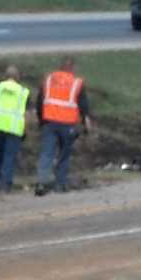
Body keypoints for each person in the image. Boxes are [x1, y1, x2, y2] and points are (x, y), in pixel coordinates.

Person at [35, 57, 96, 195]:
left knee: (47, 153)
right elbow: (83, 106)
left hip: (49, 122)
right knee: (64, 154)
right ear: (72, 68)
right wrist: (86, 124)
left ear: (60, 67)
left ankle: (41, 183)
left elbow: (40, 101)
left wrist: (40, 120)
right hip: (67, 124)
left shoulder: (49, 80)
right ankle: (60, 184)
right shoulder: (76, 83)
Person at [0, 65, 34, 193]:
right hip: (15, 129)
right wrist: (26, 130)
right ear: (18, 77)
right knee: (9, 156)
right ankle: (5, 184)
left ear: (5, 76)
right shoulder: (23, 92)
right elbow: (26, 115)